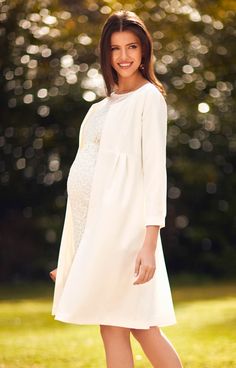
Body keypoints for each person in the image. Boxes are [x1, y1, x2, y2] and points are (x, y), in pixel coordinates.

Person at [51, 9, 183, 368]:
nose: (124, 56)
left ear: (145, 51)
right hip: (95, 232)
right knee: (112, 327)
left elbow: (154, 172)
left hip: (125, 234)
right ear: (105, 54)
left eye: (132, 47)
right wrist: (75, 257)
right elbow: (84, 187)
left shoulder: (149, 99)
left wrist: (149, 243)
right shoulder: (99, 109)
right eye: (115, 48)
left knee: (141, 326)